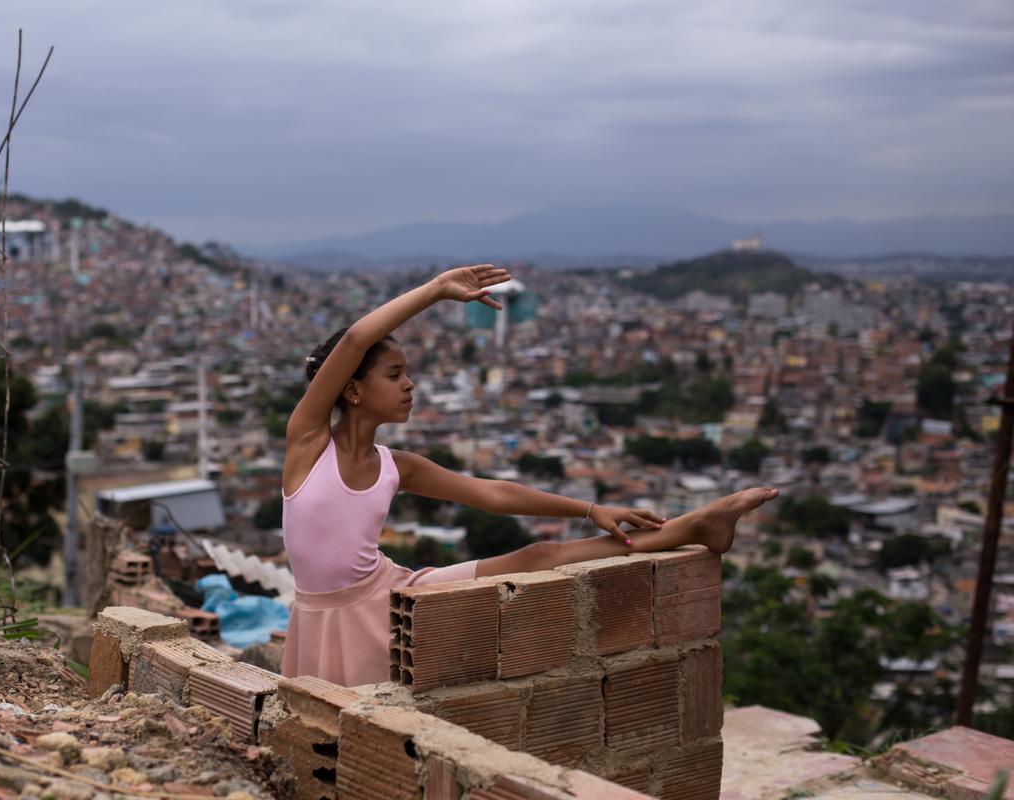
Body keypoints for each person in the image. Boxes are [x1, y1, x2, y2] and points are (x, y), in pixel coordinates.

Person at [280, 264, 778, 686]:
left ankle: (691, 527)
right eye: (394, 375)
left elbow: (494, 494)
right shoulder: (308, 443)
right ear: (351, 390)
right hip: (325, 613)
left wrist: (588, 508)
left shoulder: (396, 465)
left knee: (540, 555)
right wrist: (435, 290)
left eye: (407, 372)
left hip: (388, 595)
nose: (410, 385)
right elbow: (354, 338)